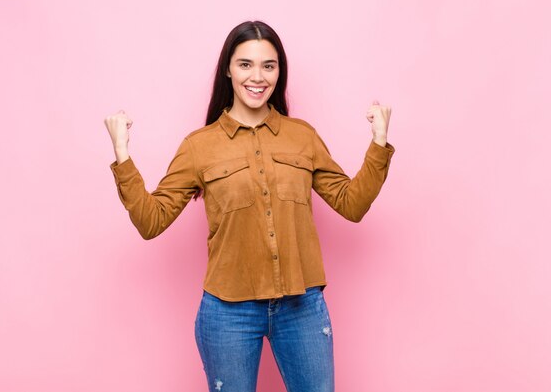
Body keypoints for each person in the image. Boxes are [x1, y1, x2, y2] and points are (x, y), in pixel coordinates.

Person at [104, 20, 394, 392]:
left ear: (279, 71)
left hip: (301, 307)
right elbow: (151, 221)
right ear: (228, 68)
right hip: (228, 311)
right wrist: (123, 154)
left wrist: (379, 144)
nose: (257, 77)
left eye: (268, 66)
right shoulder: (199, 146)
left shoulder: (301, 136)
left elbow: (351, 204)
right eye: (245, 64)